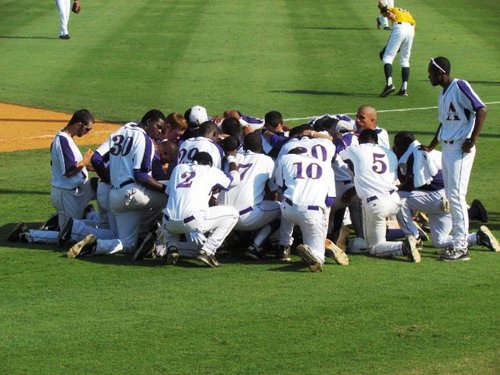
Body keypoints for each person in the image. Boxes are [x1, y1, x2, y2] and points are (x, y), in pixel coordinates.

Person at [67, 110, 168, 258]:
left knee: (127, 243)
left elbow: (96, 159)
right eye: (158, 126)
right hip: (133, 194)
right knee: (172, 196)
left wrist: (109, 179)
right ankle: (158, 237)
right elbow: (141, 175)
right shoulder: (144, 139)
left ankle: (93, 244)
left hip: (114, 195)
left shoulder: (121, 131)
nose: (160, 132)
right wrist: (165, 189)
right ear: (148, 122)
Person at [422, 56, 488, 261]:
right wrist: (433, 145)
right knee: (452, 197)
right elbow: (443, 123)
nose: (429, 76)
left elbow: (482, 109)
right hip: (448, 148)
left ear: (441, 73)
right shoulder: (443, 95)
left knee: (457, 197)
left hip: (461, 148)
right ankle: (461, 242)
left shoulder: (459, 85)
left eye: (431, 72)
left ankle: (461, 247)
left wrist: (473, 139)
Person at [393, 131, 499, 255]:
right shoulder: (422, 151)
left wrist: (392, 190)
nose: (394, 148)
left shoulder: (414, 155)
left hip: (439, 197)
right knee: (440, 241)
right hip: (447, 198)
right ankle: (478, 237)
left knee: (397, 198)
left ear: (402, 145)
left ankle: (413, 237)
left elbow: (410, 186)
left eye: (396, 145)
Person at [339, 129, 420, 262]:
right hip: (394, 200)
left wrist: (338, 137)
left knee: (374, 247)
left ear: (360, 140)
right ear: (376, 141)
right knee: (374, 235)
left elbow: (340, 151)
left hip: (376, 204)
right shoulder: (389, 153)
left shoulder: (358, 149)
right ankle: (409, 236)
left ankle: (404, 247)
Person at [161, 151, 241, 268]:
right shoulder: (210, 170)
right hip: (192, 221)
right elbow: (235, 179)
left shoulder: (178, 168)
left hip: (168, 222)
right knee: (233, 214)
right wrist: (231, 159)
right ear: (209, 164)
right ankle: (208, 250)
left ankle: (171, 247)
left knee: (175, 212)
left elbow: (168, 194)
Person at [273, 147, 343, 272]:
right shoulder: (325, 165)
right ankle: (314, 252)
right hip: (312, 213)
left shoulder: (286, 159)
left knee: (285, 203)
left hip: (289, 209)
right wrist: (322, 230)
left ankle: (284, 246)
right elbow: (330, 200)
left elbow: (280, 186)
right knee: (319, 257)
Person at [217, 132, 281, 260]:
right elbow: (274, 190)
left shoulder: (232, 157)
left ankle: (221, 244)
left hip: (221, 217)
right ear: (261, 146)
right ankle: (255, 246)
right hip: (247, 218)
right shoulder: (267, 160)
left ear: (243, 145)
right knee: (282, 208)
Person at [377, 1, 416, 97]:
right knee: (405, 60)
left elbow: (381, 2)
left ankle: (389, 84)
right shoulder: (406, 12)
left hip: (399, 28)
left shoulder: (392, 9)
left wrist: (385, 9)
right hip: (411, 31)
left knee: (387, 57)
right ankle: (404, 89)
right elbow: (414, 26)